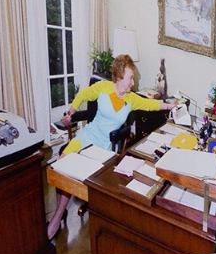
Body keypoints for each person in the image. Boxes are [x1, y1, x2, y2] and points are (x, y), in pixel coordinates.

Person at [48, 55, 168, 240]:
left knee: (88, 180)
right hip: (87, 136)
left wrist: (170, 104)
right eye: (130, 78)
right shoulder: (103, 88)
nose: (133, 82)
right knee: (61, 164)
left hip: (103, 147)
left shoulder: (131, 99)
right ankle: (59, 212)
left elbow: (151, 104)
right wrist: (70, 113)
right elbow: (83, 95)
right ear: (119, 77)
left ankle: (58, 217)